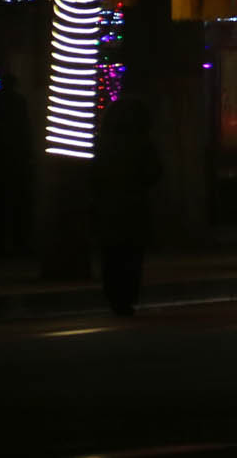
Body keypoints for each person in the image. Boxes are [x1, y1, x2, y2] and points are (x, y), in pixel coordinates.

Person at [92, 98, 162, 315]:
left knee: (111, 254)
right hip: (134, 205)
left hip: (108, 205)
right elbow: (155, 172)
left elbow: (93, 175)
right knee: (132, 254)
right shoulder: (142, 143)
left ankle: (114, 297)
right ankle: (127, 298)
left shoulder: (103, 144)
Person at [0, 73, 35, 257]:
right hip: (15, 159)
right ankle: (18, 244)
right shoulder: (18, 103)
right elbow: (24, 130)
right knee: (17, 203)